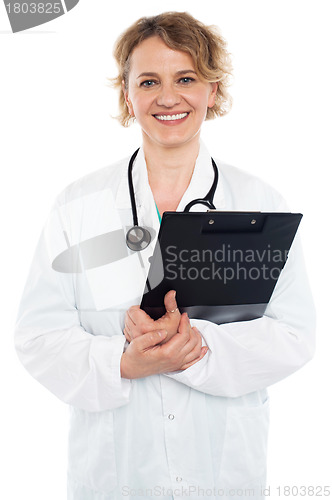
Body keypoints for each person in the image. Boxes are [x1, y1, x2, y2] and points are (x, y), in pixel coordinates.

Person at [14, 11, 315, 500]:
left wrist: (190, 350)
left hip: (221, 470)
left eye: (187, 78)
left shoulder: (260, 202)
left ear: (211, 92)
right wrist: (124, 362)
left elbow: (294, 334)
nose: (169, 97)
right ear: (127, 96)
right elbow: (38, 336)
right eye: (149, 80)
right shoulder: (77, 205)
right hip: (113, 473)